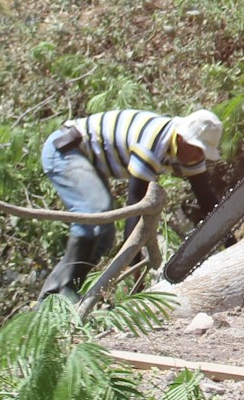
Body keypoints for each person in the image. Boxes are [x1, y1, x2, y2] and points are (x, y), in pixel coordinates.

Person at [39, 108, 224, 299]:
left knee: (104, 235)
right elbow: (136, 203)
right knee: (94, 212)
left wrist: (231, 241)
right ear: (181, 139)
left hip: (87, 160)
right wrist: (133, 265)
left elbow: (205, 197)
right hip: (65, 151)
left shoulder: (188, 152)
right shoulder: (154, 141)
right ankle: (65, 290)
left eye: (203, 152)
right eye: (197, 149)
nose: (199, 157)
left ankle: (60, 294)